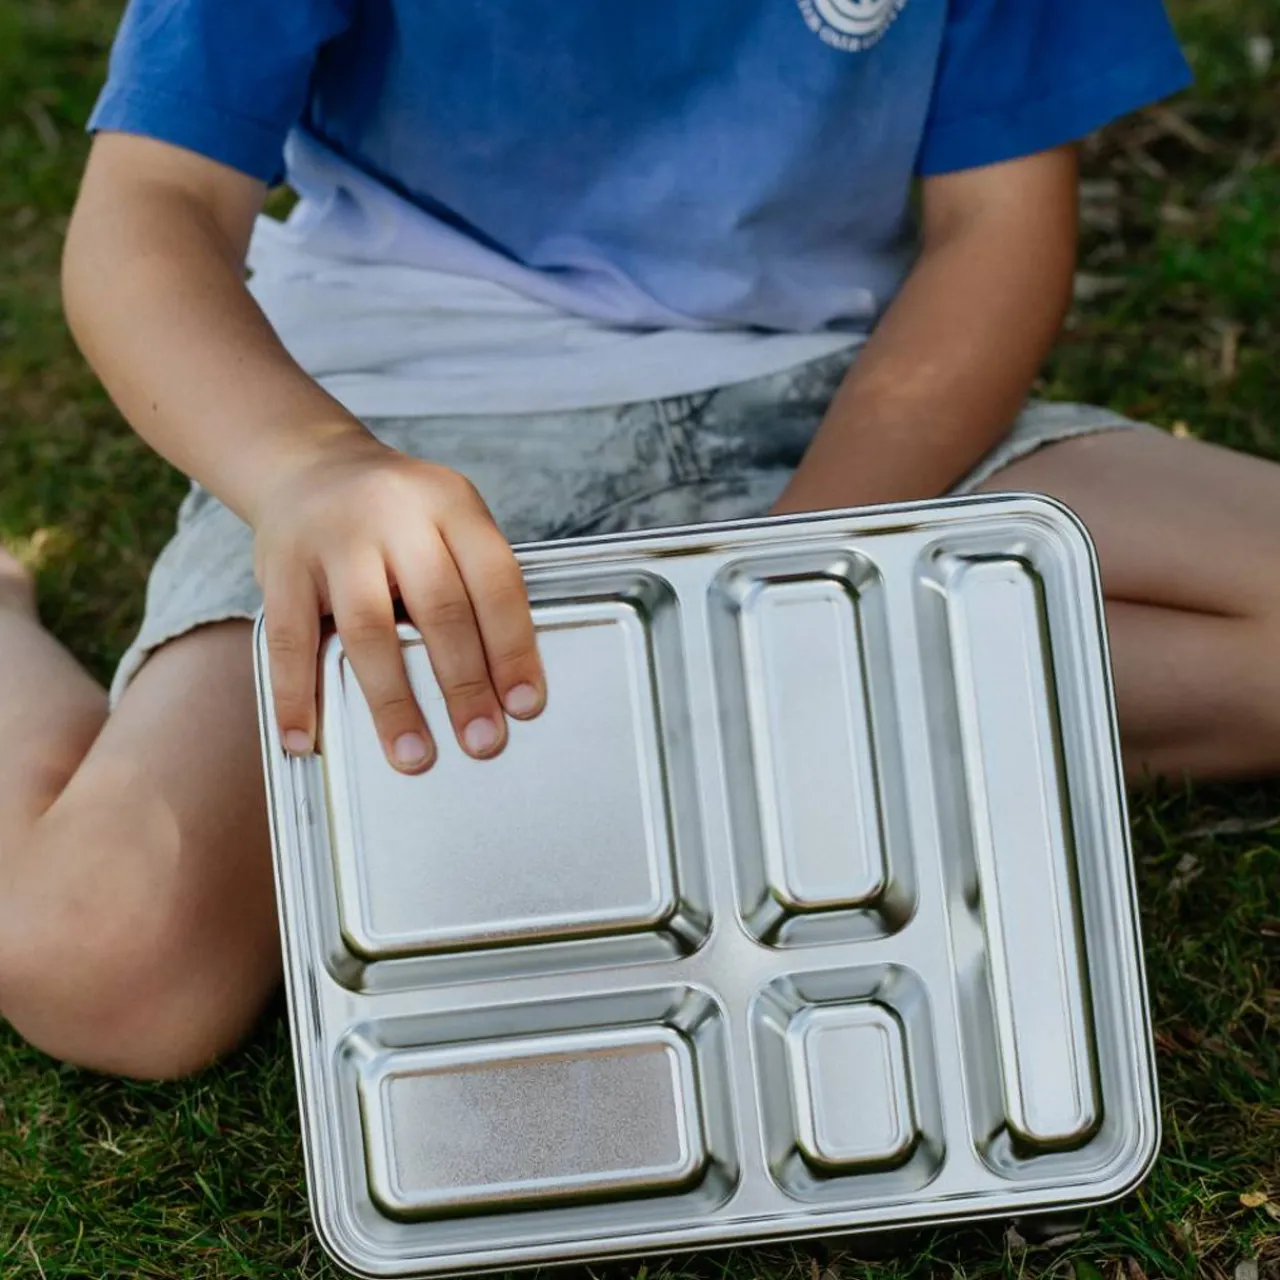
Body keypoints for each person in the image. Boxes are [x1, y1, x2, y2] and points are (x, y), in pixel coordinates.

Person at [0, 0, 1276, 1080]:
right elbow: (150, 207)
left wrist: (806, 565)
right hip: (404, 425)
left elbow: (991, 233)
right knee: (109, 964)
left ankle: (638, 746)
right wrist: (310, 469)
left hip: (836, 405)